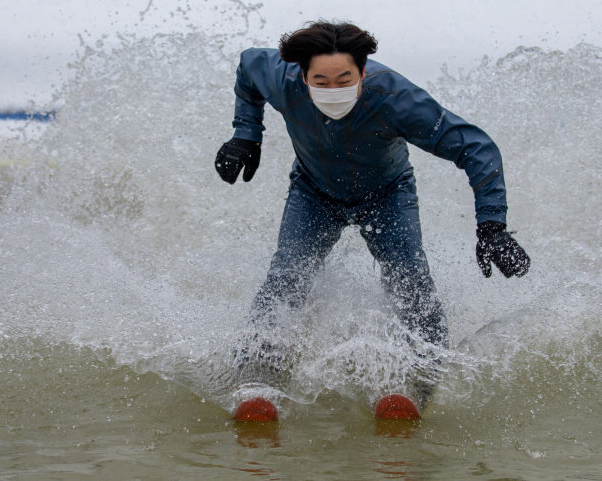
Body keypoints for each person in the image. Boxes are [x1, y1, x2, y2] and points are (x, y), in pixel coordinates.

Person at [215, 22, 530, 422]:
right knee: (286, 278)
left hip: (387, 195)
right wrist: (247, 133)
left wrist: (492, 227)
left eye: (344, 79)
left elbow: (477, 148)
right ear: (302, 76)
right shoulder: (282, 78)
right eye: (321, 81)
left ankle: (416, 382)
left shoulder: (396, 99)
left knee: (411, 282)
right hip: (314, 193)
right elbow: (247, 66)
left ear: (363, 72)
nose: (333, 90)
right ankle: (258, 379)